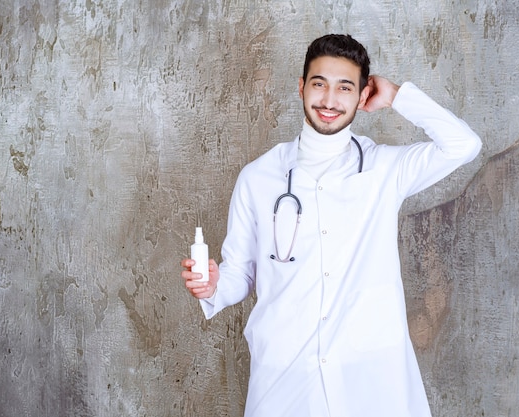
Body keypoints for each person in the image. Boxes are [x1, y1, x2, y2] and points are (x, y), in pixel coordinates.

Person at [181, 34, 481, 417]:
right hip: (286, 375)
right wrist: (213, 284)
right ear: (302, 86)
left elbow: (463, 145)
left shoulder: (384, 170)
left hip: (370, 373)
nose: (328, 100)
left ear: (362, 96)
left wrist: (396, 95)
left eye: (345, 88)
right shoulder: (258, 178)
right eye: (319, 84)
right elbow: (240, 273)